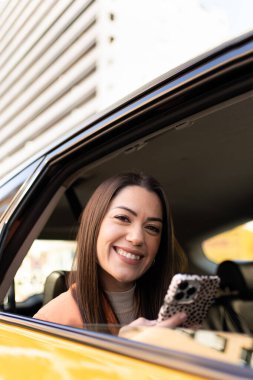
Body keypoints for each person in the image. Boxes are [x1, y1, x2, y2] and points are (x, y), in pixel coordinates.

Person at [34, 171, 188, 333]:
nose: (137, 238)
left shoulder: (171, 311)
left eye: (152, 228)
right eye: (123, 218)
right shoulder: (51, 321)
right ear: (94, 225)